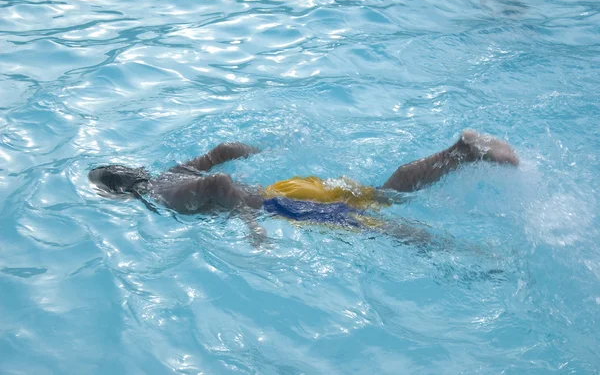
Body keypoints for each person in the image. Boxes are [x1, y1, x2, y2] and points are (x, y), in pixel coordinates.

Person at [88, 130, 518, 245]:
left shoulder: (162, 195)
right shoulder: (170, 172)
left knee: (379, 228)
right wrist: (269, 146)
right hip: (291, 186)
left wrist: (249, 224)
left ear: (119, 192)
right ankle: (462, 152)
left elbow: (219, 184)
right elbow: (221, 153)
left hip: (285, 204)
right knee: (387, 194)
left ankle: (477, 256)